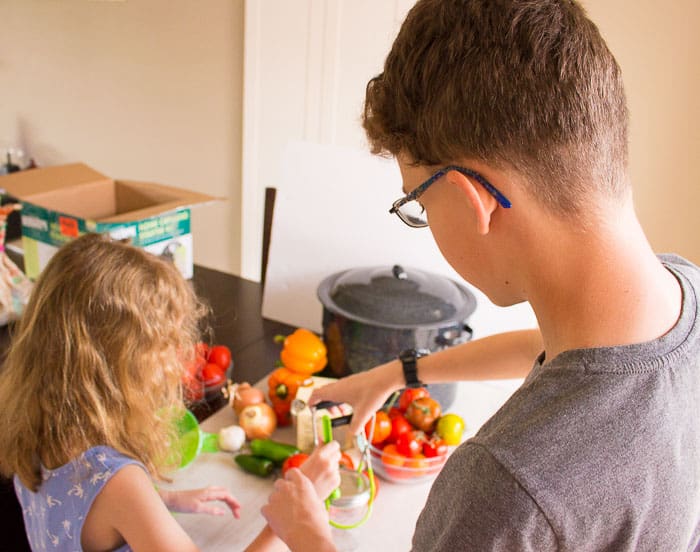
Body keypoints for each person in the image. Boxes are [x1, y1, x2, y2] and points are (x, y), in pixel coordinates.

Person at [260, 0, 700, 550]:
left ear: (474, 203)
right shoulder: (681, 294)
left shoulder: (504, 489)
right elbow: (564, 357)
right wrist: (397, 374)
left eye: (417, 202)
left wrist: (306, 533)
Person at [0, 233, 340, 552]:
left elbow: (82, 505)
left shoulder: (32, 418)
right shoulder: (122, 485)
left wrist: (159, 502)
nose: (179, 358)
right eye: (166, 344)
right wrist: (290, 524)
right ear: (125, 364)